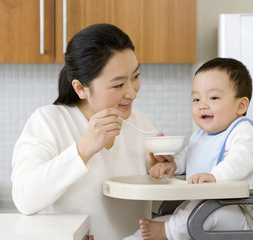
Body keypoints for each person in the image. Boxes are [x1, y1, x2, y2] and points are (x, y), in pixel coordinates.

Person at [11, 23, 168, 239]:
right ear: (80, 88)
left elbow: (160, 204)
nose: (132, 93)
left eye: (135, 76)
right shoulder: (50, 121)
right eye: (117, 85)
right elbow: (24, 199)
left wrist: (162, 171)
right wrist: (84, 148)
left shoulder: (139, 123)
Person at [125, 58, 253, 240]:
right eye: (196, 99)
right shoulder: (200, 135)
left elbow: (240, 161)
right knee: (165, 222)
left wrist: (215, 177)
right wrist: (173, 165)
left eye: (213, 98)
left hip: (239, 214)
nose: (202, 104)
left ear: (241, 105)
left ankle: (167, 232)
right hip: (205, 207)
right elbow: (188, 156)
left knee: (197, 214)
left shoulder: (246, 134)